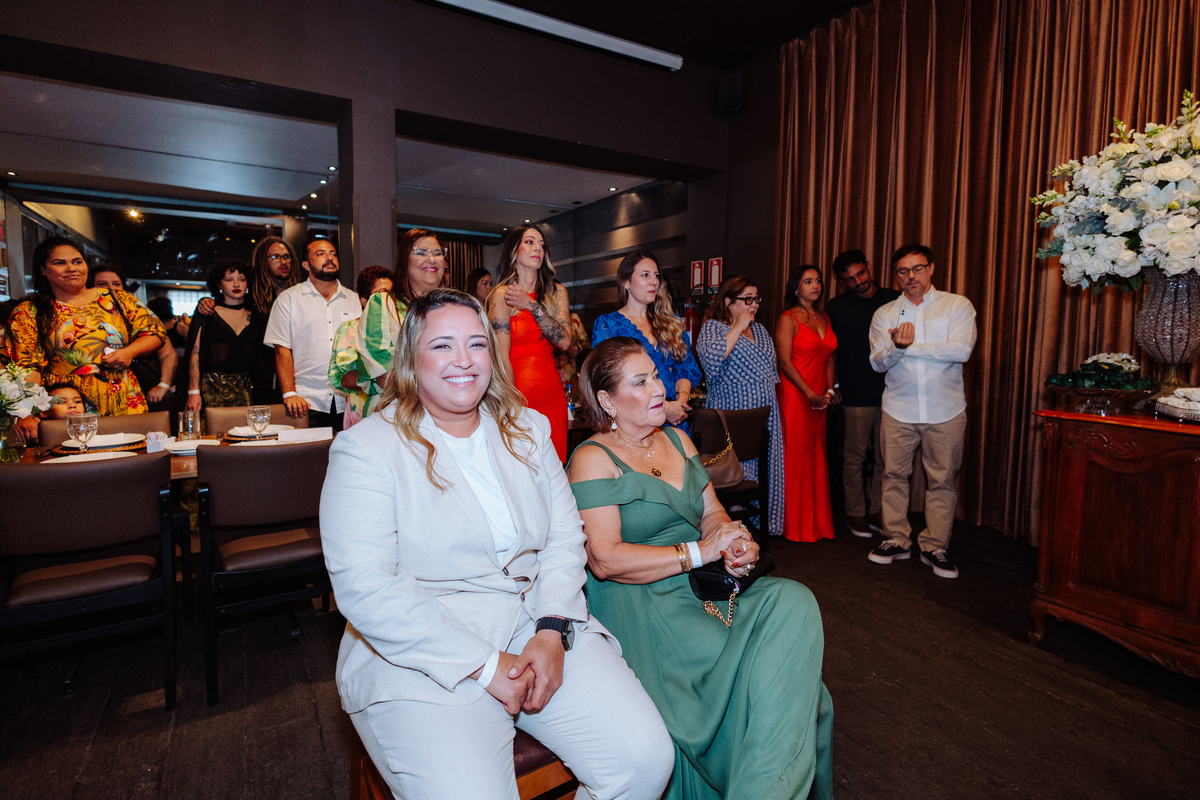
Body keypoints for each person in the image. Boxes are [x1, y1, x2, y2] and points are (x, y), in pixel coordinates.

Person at [319, 290, 674, 800]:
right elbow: (367, 589)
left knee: (644, 762)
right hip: (418, 648)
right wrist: (486, 667)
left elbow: (563, 538)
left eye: (477, 344)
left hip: (534, 620)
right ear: (411, 360)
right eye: (442, 346)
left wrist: (552, 630)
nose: (463, 360)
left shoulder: (528, 429)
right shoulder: (366, 449)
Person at [567, 337, 834, 800]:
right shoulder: (593, 459)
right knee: (799, 696)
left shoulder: (676, 437)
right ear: (608, 400)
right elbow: (605, 559)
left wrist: (734, 540)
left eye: (656, 374)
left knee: (794, 600)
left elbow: (711, 511)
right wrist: (701, 552)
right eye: (642, 380)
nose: (659, 387)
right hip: (644, 599)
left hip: (703, 585)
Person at [867, 244, 977, 579]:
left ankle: (935, 546)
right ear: (896, 274)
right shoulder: (885, 313)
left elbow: (960, 351)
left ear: (931, 268)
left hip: (946, 409)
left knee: (942, 480)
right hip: (898, 407)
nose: (910, 276)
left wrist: (907, 347)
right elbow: (877, 361)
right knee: (892, 476)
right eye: (903, 271)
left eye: (917, 269)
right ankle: (896, 539)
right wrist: (896, 350)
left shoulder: (957, 305)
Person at [8, 237, 165, 441]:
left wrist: (130, 351)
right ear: (43, 270)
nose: (71, 268)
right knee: (74, 465)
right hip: (64, 405)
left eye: (77, 261)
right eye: (60, 263)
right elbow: (27, 368)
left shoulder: (118, 299)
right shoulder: (29, 312)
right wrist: (25, 412)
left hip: (121, 394)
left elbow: (155, 332)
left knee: (129, 460)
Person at [695, 276, 785, 538]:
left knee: (763, 470)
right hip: (731, 411)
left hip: (765, 412)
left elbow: (770, 370)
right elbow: (710, 362)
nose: (754, 304)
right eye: (747, 299)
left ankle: (761, 525)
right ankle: (725, 523)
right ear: (728, 301)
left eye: (756, 299)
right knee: (731, 471)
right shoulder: (713, 327)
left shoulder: (761, 331)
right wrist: (736, 327)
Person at [827, 249, 901, 537]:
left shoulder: (896, 300)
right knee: (854, 457)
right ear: (842, 281)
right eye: (849, 279)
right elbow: (832, 352)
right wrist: (835, 386)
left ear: (869, 267)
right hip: (855, 392)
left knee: (886, 458)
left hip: (893, 391)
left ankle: (879, 511)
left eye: (860, 273)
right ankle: (855, 513)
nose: (858, 281)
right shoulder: (837, 306)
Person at [487, 224, 576, 462]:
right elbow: (500, 356)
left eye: (541, 245)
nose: (538, 248)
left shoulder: (556, 292)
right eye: (530, 242)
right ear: (514, 251)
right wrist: (510, 402)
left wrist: (532, 306)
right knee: (520, 466)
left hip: (550, 393)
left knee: (553, 467)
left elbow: (566, 342)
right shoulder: (501, 295)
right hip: (517, 393)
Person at [592, 250, 701, 430]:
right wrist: (664, 407)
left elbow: (686, 367)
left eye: (656, 275)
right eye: (645, 275)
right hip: (634, 421)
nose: (654, 281)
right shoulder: (608, 324)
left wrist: (679, 403)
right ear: (626, 282)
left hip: (674, 420)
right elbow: (608, 380)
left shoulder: (671, 321)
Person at [349, 229, 446, 421]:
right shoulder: (383, 304)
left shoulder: (451, 308)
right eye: (421, 252)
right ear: (405, 260)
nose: (432, 259)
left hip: (445, 415)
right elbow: (384, 376)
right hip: (396, 415)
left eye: (437, 253)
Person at [263, 237, 360, 430]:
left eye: (333, 254)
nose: (329, 258)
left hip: (350, 399)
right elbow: (282, 350)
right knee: (311, 459)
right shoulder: (288, 299)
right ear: (306, 264)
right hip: (307, 401)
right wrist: (290, 394)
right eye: (320, 254)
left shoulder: (354, 299)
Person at [774, 266, 838, 543]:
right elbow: (785, 362)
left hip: (819, 397)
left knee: (816, 456)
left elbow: (829, 356)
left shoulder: (824, 316)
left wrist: (829, 391)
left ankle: (817, 523)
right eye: (808, 281)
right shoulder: (788, 318)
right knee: (796, 457)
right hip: (795, 395)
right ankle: (794, 525)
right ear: (795, 287)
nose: (815, 285)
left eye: (818, 281)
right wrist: (810, 393)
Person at [184, 260, 275, 412]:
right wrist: (193, 392)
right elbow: (195, 353)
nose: (236, 284)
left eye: (242, 279)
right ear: (218, 284)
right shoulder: (208, 313)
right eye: (229, 279)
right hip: (211, 388)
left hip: (247, 390)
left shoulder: (257, 316)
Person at [91, 264, 178, 410]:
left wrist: (163, 385)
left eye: (116, 284)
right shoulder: (88, 320)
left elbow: (168, 352)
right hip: (101, 392)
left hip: (144, 388)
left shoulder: (137, 315)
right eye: (102, 284)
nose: (110, 288)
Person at [328, 265, 394, 428]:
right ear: (364, 300)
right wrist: (382, 380)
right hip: (362, 410)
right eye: (382, 293)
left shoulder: (403, 326)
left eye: (392, 294)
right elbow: (341, 378)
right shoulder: (351, 329)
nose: (388, 299)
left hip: (397, 410)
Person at [250, 236, 302, 315]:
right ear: (263, 261)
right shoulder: (253, 298)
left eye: (286, 256)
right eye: (275, 256)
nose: (283, 262)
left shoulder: (301, 293)